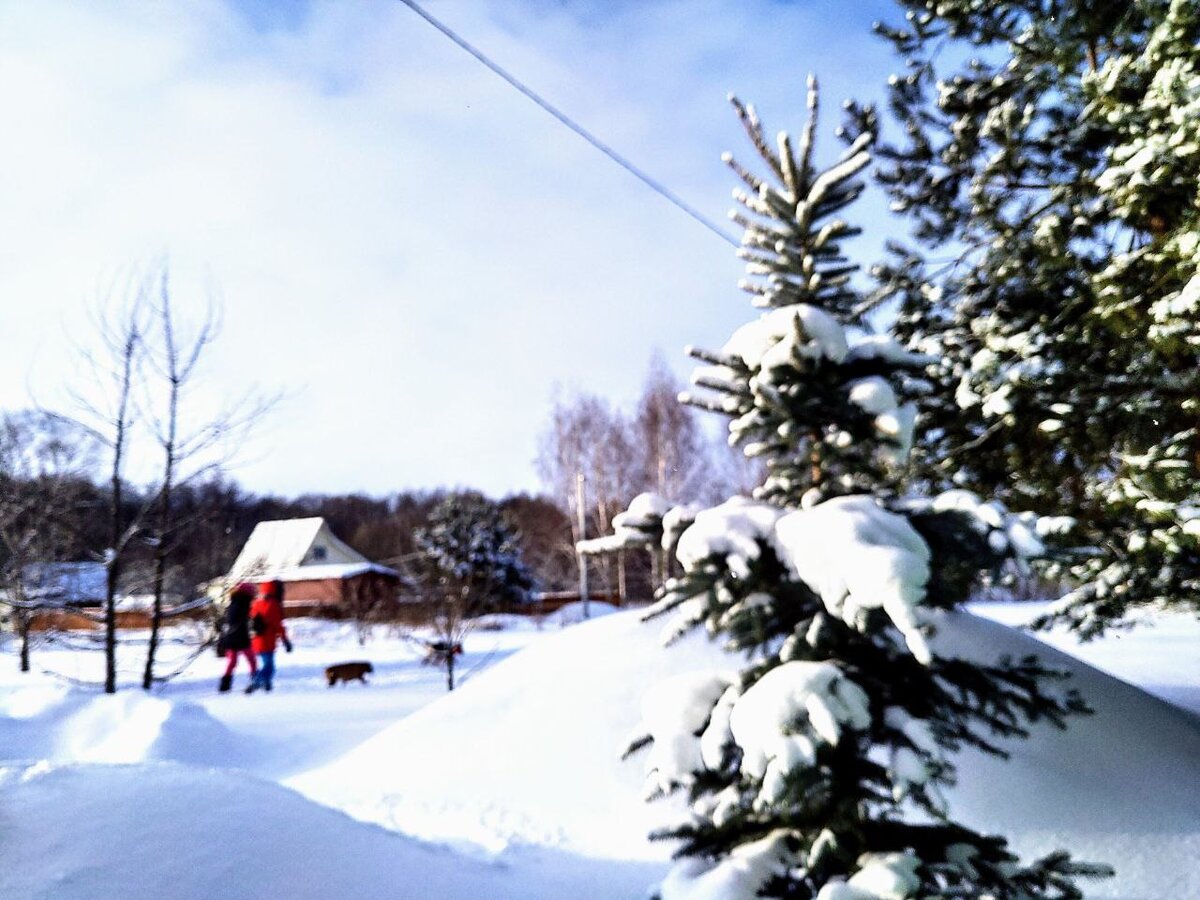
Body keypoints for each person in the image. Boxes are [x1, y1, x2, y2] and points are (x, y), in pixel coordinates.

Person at [245, 579, 292, 694]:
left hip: (255, 639)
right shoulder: (273, 605)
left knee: (265, 662)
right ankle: (256, 682)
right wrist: (285, 640)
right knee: (269, 666)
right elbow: (278, 626)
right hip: (267, 640)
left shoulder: (256, 603)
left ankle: (267, 685)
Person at [217, 582, 258, 693]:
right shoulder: (242, 603)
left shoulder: (234, 602)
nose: (254, 594)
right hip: (240, 636)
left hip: (232, 637)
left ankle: (224, 685)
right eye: (252, 592)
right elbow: (237, 619)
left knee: (232, 662)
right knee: (251, 659)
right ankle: (256, 680)